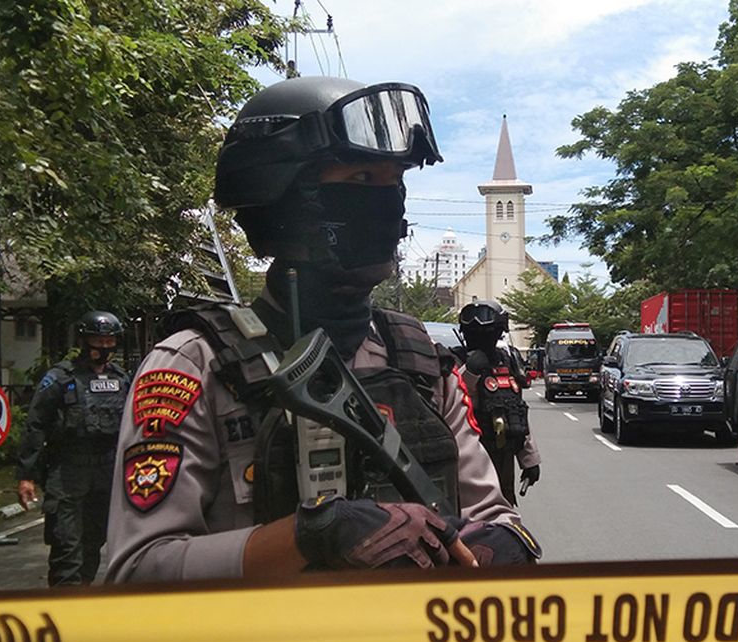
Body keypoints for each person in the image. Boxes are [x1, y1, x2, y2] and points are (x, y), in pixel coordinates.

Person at [106, 76, 540, 582]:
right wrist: (307, 536)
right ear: (283, 198)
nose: (388, 204)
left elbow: (491, 514)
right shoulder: (196, 367)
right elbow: (136, 571)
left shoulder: (420, 359)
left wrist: (499, 546)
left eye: (394, 183)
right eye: (360, 180)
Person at [17, 311, 129, 585]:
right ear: (84, 340)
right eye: (97, 340)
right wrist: (26, 476)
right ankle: (65, 609)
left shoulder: (122, 379)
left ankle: (82, 600)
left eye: (109, 340)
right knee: (67, 547)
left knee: (94, 544)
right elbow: (35, 425)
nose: (103, 347)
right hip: (67, 472)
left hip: (106, 471)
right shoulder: (60, 378)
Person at [453, 300, 541, 504]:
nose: (481, 338)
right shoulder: (455, 362)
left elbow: (517, 412)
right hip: (467, 458)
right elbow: (452, 400)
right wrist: (470, 371)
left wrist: (529, 460)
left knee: (503, 513)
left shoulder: (507, 361)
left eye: (488, 332)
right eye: (473, 332)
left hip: (503, 457)